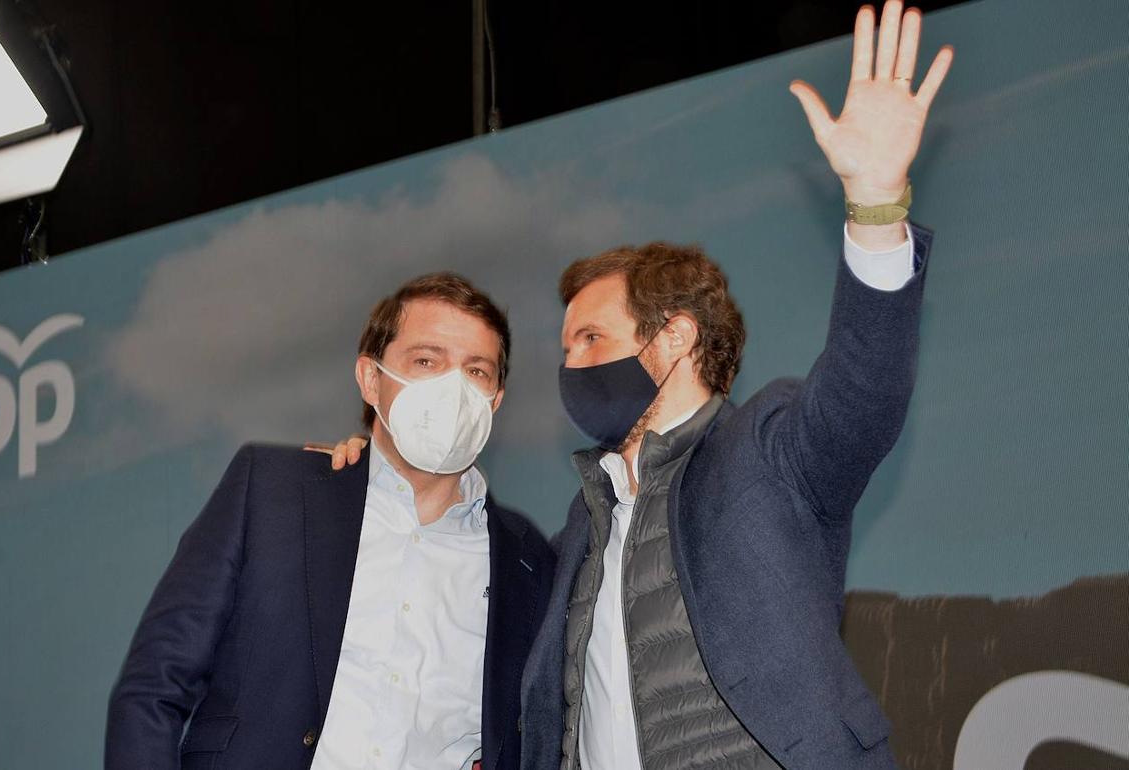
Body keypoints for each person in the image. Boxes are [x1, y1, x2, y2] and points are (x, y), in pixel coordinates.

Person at [326, 3, 952, 767]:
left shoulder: (772, 449)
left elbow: (866, 389)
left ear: (677, 335)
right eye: (565, 349)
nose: (572, 367)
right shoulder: (574, 535)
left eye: (592, 338)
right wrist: (379, 464)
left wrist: (877, 207)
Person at [105, 273, 556, 770]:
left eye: (476, 371)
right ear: (371, 378)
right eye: (426, 361)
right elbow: (154, 686)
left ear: (495, 401)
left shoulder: (528, 560)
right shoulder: (273, 493)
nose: (453, 387)